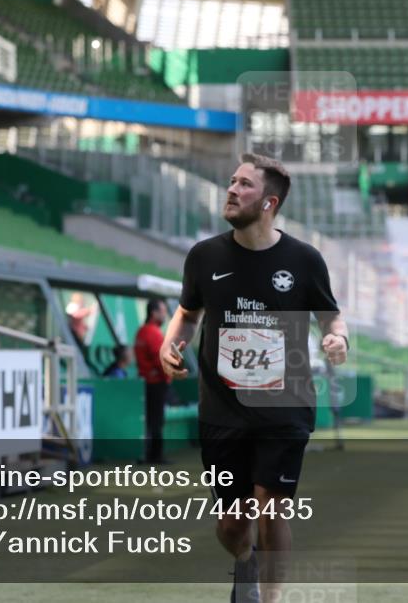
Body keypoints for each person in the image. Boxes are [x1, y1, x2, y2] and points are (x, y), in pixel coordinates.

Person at [159, 153, 349, 603]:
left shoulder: (304, 260)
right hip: (222, 410)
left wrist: (339, 340)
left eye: (244, 185)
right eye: (232, 181)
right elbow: (187, 315)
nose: (231, 189)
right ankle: (244, 561)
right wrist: (171, 343)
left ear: (269, 202)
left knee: (273, 510)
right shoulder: (204, 256)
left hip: (285, 406)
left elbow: (331, 319)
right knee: (232, 524)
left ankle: (271, 597)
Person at [135, 298, 170, 465]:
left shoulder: (141, 332)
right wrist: (169, 374)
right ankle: (155, 456)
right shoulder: (153, 333)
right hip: (156, 383)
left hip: (146, 382)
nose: (165, 315)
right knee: (156, 420)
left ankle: (149, 454)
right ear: (154, 312)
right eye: (163, 311)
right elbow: (160, 359)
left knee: (150, 420)